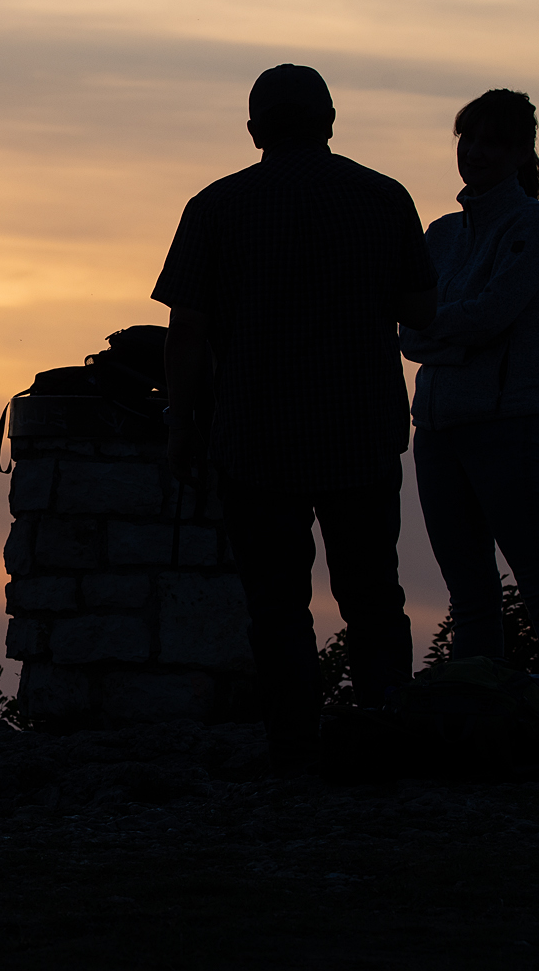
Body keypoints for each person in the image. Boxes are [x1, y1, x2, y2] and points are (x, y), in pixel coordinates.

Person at [154, 65, 438, 767]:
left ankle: (292, 742)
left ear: (253, 130)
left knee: (277, 605)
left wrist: (179, 422)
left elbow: (187, 325)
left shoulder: (215, 207)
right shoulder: (384, 198)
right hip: (360, 431)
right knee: (373, 594)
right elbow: (422, 310)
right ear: (331, 121)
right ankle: (384, 724)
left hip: (256, 437)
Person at [400, 90, 539, 675]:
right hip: (436, 428)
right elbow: (410, 331)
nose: (476, 152)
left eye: (492, 141)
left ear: (519, 152)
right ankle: (478, 718)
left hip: (509, 424)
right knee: (469, 592)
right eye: (468, 138)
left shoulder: (533, 223)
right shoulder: (441, 233)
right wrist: (451, 334)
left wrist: (441, 333)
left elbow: (491, 314)